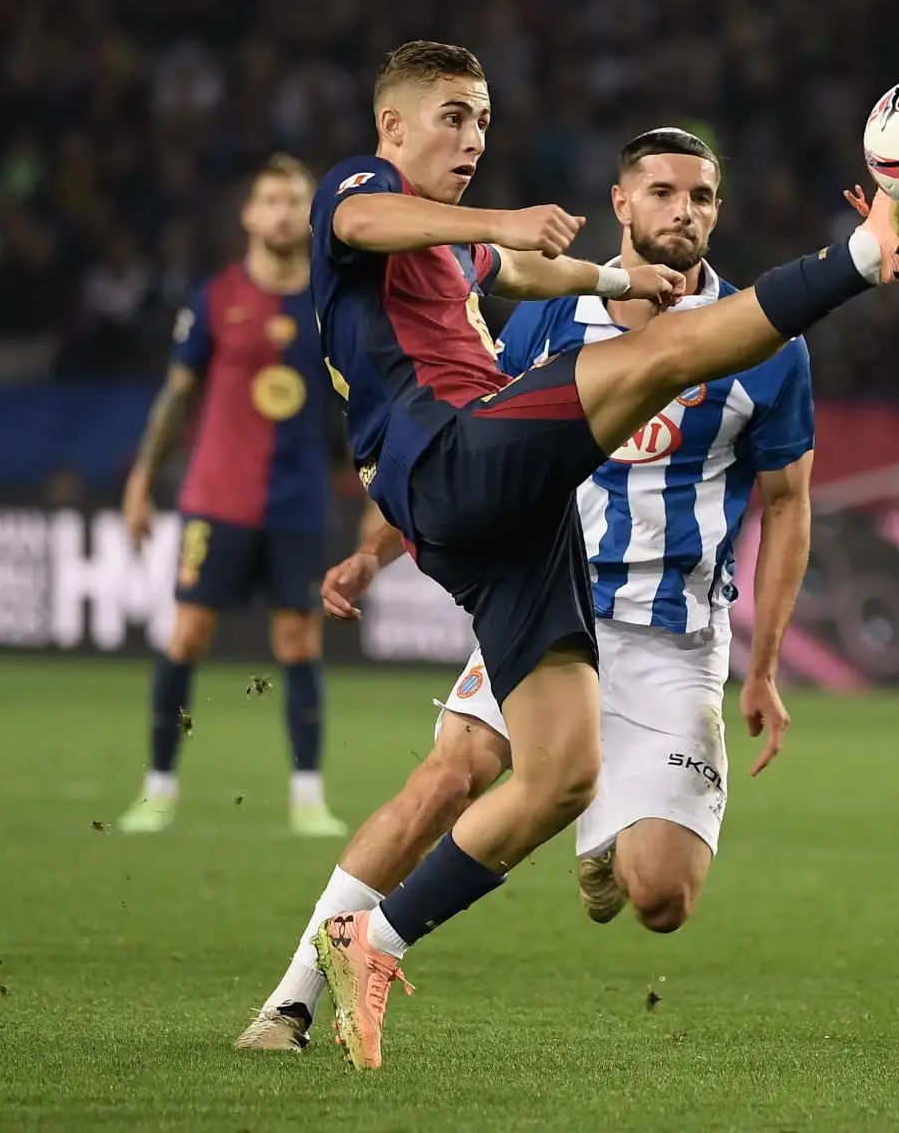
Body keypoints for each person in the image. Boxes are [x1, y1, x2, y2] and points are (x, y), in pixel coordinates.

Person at [305, 41, 899, 1070]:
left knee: (562, 780)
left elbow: (515, 265)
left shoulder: (465, 261)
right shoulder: (362, 194)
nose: (473, 138)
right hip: (450, 462)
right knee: (662, 355)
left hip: (536, 541)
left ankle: (367, 945)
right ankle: (860, 257)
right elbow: (372, 222)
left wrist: (606, 270)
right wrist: (505, 224)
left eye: (482, 121)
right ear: (393, 127)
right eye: (454, 117)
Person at [235, 127, 815, 1051]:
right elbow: (473, 438)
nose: (684, 212)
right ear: (621, 204)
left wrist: (766, 665)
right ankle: (289, 1001)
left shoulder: (765, 344)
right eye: (662, 193)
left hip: (674, 639)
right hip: (548, 595)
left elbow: (788, 505)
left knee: (661, 897)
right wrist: (375, 553)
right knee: (442, 782)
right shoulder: (550, 314)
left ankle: (593, 820)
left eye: (701, 197)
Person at [117, 154, 347, 838]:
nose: (281, 212)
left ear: (309, 217)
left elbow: (358, 403)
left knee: (298, 640)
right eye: (269, 199)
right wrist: (138, 481)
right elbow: (176, 397)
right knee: (186, 634)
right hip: (216, 498)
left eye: (293, 201)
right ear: (248, 215)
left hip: (300, 503)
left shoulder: (329, 304)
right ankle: (158, 789)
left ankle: (309, 798)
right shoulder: (214, 298)